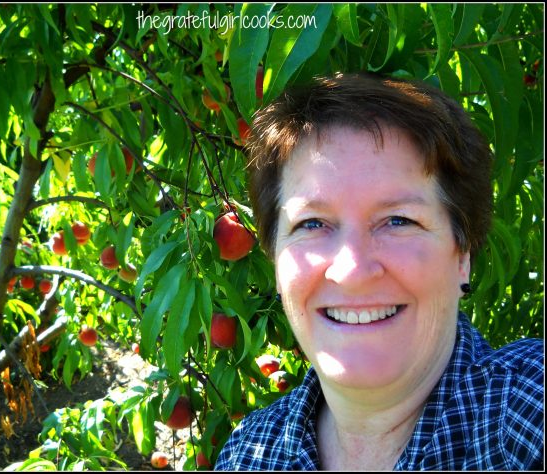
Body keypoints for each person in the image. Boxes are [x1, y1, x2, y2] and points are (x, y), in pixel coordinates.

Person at [214, 73, 544, 470]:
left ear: (463, 255)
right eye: (312, 224)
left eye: (400, 220)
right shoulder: (248, 455)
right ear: (276, 259)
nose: (352, 270)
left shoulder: (526, 409)